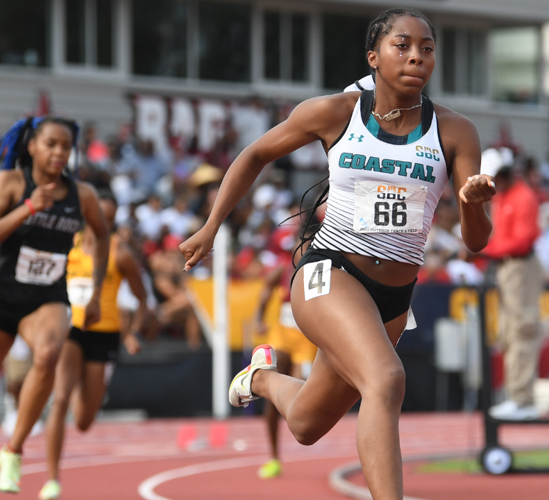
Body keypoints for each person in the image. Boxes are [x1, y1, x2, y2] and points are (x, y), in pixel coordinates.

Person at [179, 9, 494, 499]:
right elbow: (255, 154)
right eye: (403, 45)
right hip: (331, 270)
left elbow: (477, 241)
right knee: (386, 380)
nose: (416, 55)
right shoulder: (336, 112)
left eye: (427, 48)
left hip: (393, 297)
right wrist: (211, 225)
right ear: (373, 57)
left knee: (306, 422)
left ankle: (258, 378)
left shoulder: (455, 132)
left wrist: (472, 205)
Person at [0, 117, 109, 493]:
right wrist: (27, 207)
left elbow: (102, 235)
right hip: (2, 298)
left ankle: (13, 448)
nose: (59, 152)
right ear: (32, 146)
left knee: (48, 354)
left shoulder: (82, 195)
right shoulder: (9, 183)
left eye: (66, 146)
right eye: (51, 144)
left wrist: (95, 293)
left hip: (47, 298)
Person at [39, 190, 147, 500]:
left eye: (110, 218)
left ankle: (77, 384)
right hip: (71, 329)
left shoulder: (120, 254)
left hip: (105, 333)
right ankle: (52, 478)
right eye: (99, 215)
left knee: (84, 420)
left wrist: (132, 333)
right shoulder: (67, 247)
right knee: (59, 399)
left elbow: (142, 299)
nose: (103, 221)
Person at [253, 222, 318, 479]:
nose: (306, 250)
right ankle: (273, 456)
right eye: (303, 245)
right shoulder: (283, 268)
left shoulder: (321, 270)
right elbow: (267, 288)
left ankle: (303, 433)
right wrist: (259, 317)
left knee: (302, 396)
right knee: (273, 398)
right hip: (282, 335)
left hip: (307, 340)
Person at [480, 166, 542, 421]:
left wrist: (486, 250)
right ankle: (516, 397)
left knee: (522, 329)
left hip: (520, 266)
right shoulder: (503, 196)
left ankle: (523, 400)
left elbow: (523, 241)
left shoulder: (523, 197)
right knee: (509, 333)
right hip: (508, 267)